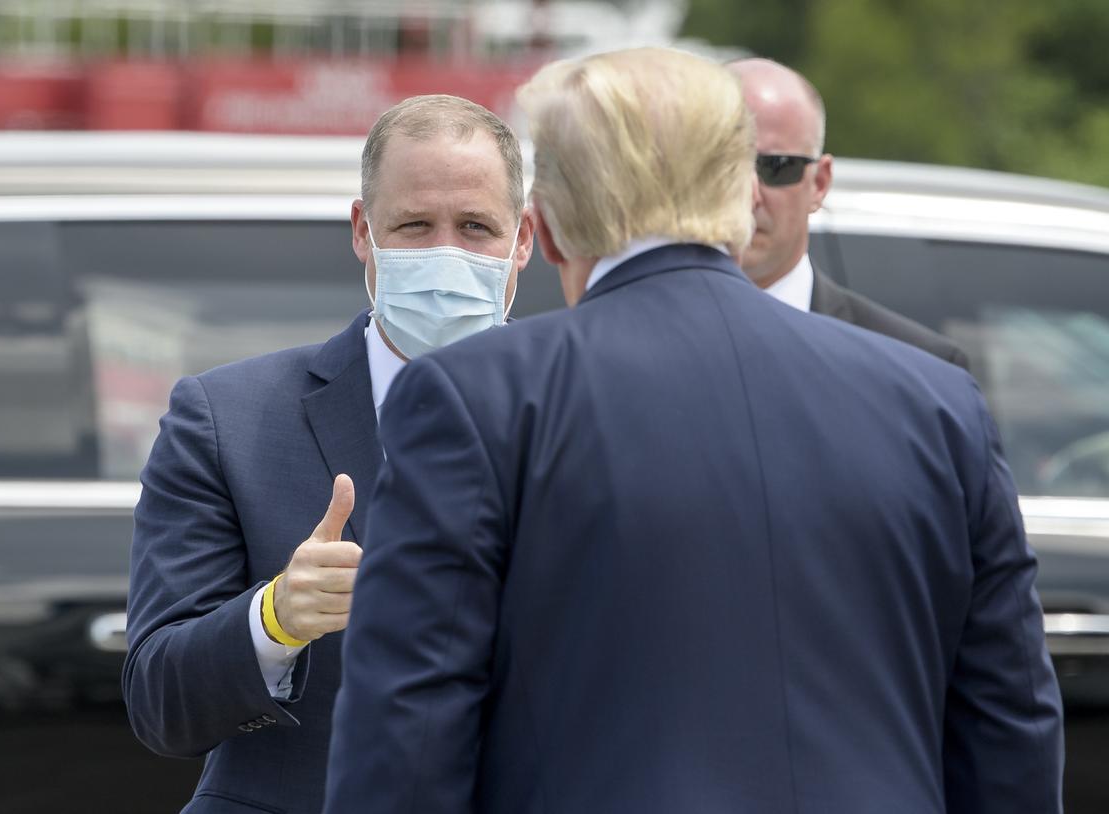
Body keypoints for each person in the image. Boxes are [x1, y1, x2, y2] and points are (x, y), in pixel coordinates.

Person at [324, 47, 1063, 814]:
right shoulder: (937, 403)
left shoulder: (476, 398)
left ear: (542, 231)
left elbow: (406, 743)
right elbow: (1009, 729)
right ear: (744, 197)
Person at [122, 94, 534, 814]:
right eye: (413, 226)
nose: (445, 253)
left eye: (475, 227)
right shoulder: (229, 420)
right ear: (361, 231)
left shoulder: (593, 414)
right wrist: (276, 618)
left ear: (523, 239)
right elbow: (161, 705)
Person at [729, 57, 971, 371]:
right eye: (725, 166)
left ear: (819, 183)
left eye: (776, 167)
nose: (750, 194)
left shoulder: (921, 369)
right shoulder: (646, 341)